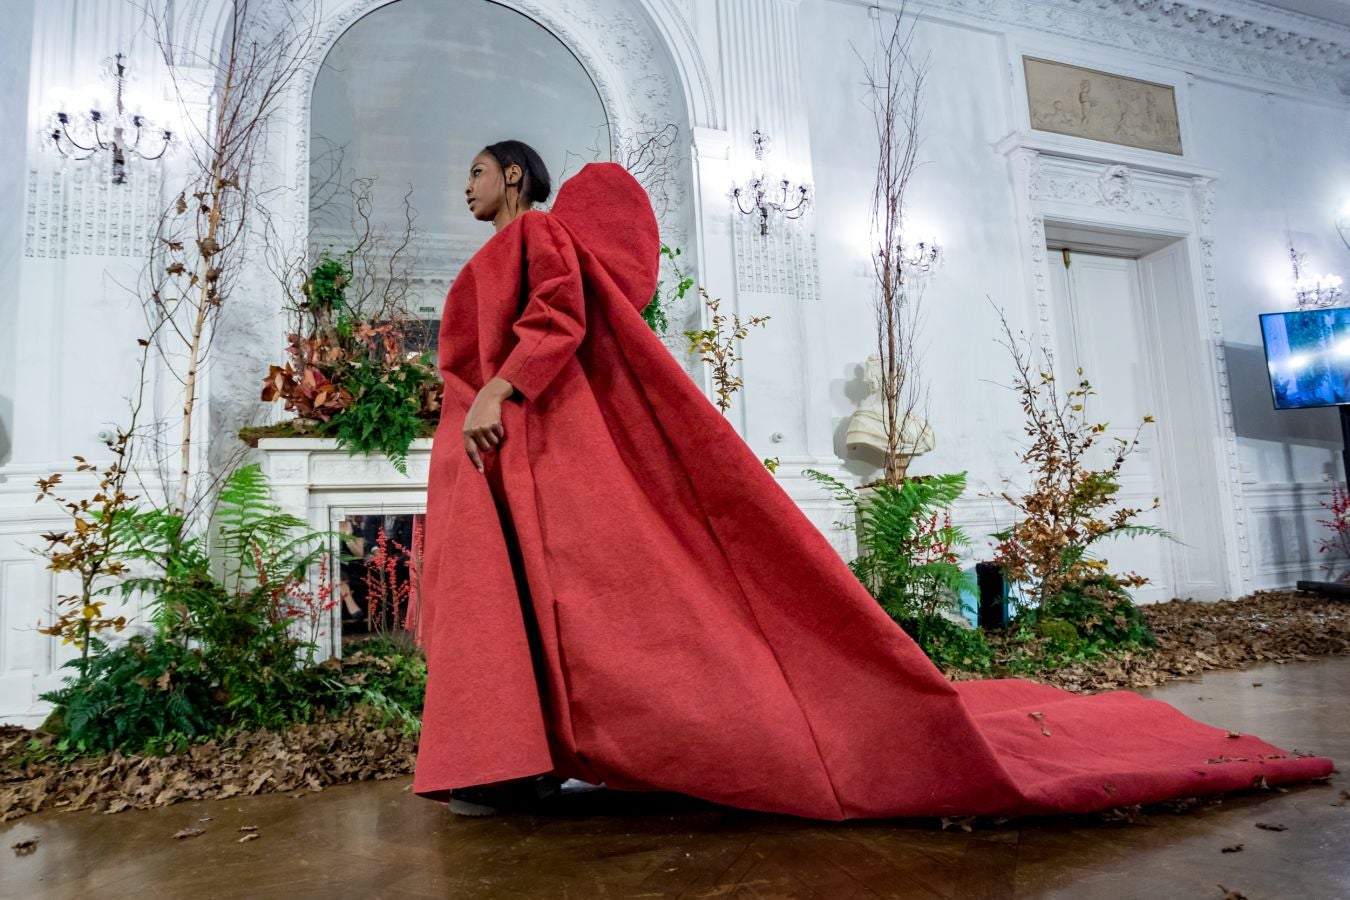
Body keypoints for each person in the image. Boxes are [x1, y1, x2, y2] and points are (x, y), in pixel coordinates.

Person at [413, 140, 1333, 820]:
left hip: (526, 441)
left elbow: (557, 320)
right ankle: (512, 760)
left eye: (479, 169)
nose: (467, 183)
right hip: (490, 453)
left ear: (517, 179)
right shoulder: (492, 254)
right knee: (501, 607)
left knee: (588, 608)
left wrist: (501, 386)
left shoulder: (536, 242)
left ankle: (539, 757)